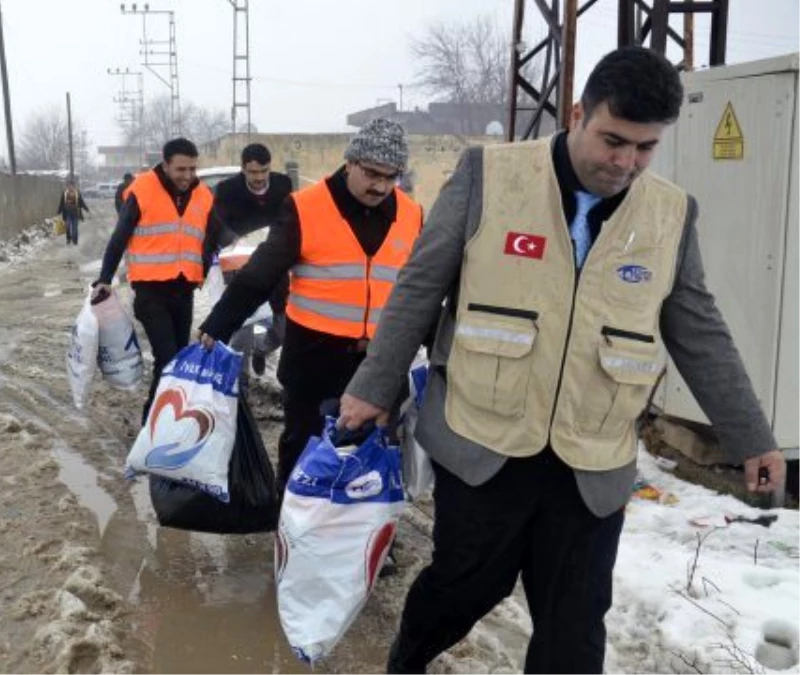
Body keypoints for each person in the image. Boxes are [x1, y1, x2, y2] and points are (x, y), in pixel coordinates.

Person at [337, 47, 787, 675]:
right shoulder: (489, 176)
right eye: (613, 140)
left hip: (593, 456)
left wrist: (751, 437)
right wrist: (374, 387)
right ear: (577, 114)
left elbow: (699, 328)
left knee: (575, 623)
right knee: (464, 589)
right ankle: (407, 659)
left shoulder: (670, 214)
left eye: (645, 147)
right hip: (484, 440)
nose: (625, 162)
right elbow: (420, 284)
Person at [198, 118, 423, 500]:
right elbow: (261, 272)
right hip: (314, 359)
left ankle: (362, 546)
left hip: (380, 363)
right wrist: (218, 324)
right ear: (350, 162)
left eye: (391, 176)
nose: (381, 186)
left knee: (370, 458)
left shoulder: (411, 214)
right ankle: (291, 532)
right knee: (304, 449)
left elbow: (422, 288)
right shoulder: (307, 207)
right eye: (371, 173)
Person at [94, 138, 225, 420]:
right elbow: (120, 237)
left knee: (179, 361)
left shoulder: (203, 195)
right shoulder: (142, 189)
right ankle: (151, 425)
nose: (187, 176)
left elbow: (215, 236)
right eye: (181, 169)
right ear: (165, 165)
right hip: (150, 293)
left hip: (184, 292)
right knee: (167, 360)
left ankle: (167, 423)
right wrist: (104, 277)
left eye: (192, 169)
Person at [213, 143, 294, 376]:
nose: (259, 177)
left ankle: (262, 348)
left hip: (275, 265)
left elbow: (293, 217)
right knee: (241, 336)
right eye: (253, 172)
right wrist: (234, 241)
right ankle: (240, 391)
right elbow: (218, 227)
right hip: (242, 268)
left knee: (282, 330)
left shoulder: (283, 184)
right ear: (243, 170)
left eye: (264, 171)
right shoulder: (227, 190)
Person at [57, 181, 89, 246]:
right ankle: (68, 239)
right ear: (67, 186)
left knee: (75, 228)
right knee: (68, 227)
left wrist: (86, 208)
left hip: (75, 213)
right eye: (68, 186)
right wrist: (59, 211)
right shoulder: (65, 193)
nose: (70, 187)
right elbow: (62, 203)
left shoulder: (77, 193)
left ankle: (75, 240)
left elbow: (81, 202)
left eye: (71, 186)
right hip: (67, 213)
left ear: (73, 186)